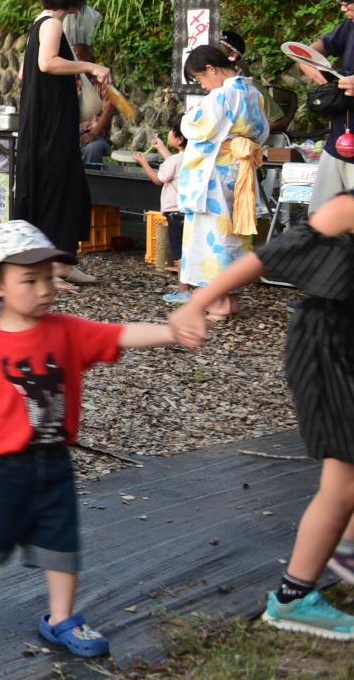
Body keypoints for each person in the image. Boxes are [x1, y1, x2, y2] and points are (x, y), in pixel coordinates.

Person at [0, 220, 179, 660]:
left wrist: (171, 332)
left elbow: (121, 333)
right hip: (1, 468)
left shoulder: (67, 330)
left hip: (54, 463)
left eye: (50, 277)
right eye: (29, 280)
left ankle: (60, 619)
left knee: (62, 541)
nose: (45, 287)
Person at [172, 193, 354, 640]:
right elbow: (264, 259)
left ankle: (346, 548)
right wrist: (197, 304)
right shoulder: (346, 209)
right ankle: (294, 598)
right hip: (329, 348)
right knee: (344, 479)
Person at [13, 0, 113, 281]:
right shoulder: (53, 24)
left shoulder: (39, 23)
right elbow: (47, 62)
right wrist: (91, 66)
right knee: (61, 189)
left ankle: (56, 264)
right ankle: (54, 266)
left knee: (54, 188)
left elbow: (24, 72)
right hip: (51, 124)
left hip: (39, 120)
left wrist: (71, 76)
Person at [175, 42, 270, 319]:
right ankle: (231, 297)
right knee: (234, 234)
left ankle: (217, 300)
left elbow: (196, 126)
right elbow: (262, 132)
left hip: (215, 176)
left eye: (200, 77)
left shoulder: (221, 97)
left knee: (211, 237)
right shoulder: (253, 93)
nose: (202, 84)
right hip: (240, 171)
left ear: (211, 69)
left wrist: (187, 117)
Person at [301, 0, 354, 215]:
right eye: (341, 3)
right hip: (338, 143)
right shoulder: (349, 27)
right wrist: (308, 63)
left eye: (349, 2)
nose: (344, 9)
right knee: (321, 221)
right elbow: (313, 48)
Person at [138, 116, 188, 293]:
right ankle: (190, 287)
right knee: (189, 250)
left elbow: (158, 180)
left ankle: (183, 291)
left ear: (179, 138)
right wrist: (161, 148)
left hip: (175, 213)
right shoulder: (191, 157)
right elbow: (173, 164)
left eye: (172, 132)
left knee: (180, 254)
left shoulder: (174, 161)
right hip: (189, 212)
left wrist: (144, 163)